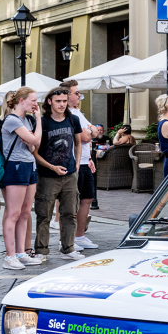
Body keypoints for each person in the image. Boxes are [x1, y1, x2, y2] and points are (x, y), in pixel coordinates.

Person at [34, 87, 82, 261]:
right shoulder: (43, 122)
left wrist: (76, 164)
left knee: (70, 213)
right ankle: (41, 250)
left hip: (69, 175)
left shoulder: (73, 119)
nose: (62, 104)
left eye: (64, 101)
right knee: (44, 214)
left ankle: (68, 248)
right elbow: (35, 151)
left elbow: (78, 143)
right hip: (47, 175)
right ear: (50, 102)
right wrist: (51, 167)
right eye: (58, 101)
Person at [0, 87, 42, 270]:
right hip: (16, 166)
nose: (36, 103)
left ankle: (21, 253)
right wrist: (38, 123)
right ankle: (10, 257)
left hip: (29, 166)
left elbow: (35, 146)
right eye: (33, 100)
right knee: (14, 213)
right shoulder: (12, 120)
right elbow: (34, 141)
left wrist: (33, 138)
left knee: (25, 212)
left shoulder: (27, 120)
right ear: (22, 100)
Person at [61, 80, 99, 251]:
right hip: (73, 163)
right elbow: (86, 136)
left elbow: (96, 131)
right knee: (71, 203)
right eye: (76, 93)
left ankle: (80, 236)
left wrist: (91, 131)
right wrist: (91, 131)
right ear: (67, 95)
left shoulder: (78, 113)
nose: (79, 96)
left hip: (85, 161)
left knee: (87, 199)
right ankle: (68, 240)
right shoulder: (68, 113)